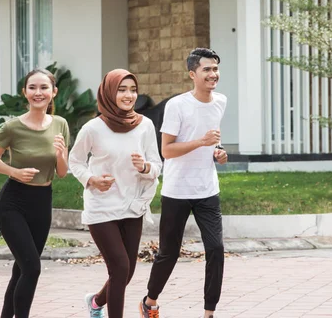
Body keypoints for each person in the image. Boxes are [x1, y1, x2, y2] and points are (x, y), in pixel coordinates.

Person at [139, 48, 228, 318]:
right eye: (207, 70)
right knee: (169, 253)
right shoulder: (177, 105)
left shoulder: (220, 101)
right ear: (192, 74)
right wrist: (201, 141)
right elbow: (167, 150)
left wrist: (218, 152)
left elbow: (213, 142)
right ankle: (150, 301)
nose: (213, 74)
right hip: (177, 190)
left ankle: (209, 312)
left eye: (215, 69)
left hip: (207, 189)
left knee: (216, 249)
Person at [69, 69, 162, 318]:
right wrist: (91, 180)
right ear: (109, 92)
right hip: (101, 206)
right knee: (120, 268)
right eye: (122, 89)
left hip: (132, 205)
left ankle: (97, 302)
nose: (129, 95)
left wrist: (144, 167)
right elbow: (75, 161)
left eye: (133, 89)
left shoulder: (145, 126)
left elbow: (157, 165)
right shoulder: (93, 128)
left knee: (127, 271)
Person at [0, 68, 69, 318]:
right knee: (32, 268)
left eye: (44, 88)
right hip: (13, 202)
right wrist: (14, 172)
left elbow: (62, 172)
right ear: (25, 92)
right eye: (32, 87)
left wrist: (62, 155)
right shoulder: (12, 127)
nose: (38, 92)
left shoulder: (60, 124)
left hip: (42, 202)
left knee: (21, 269)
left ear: (53, 92)